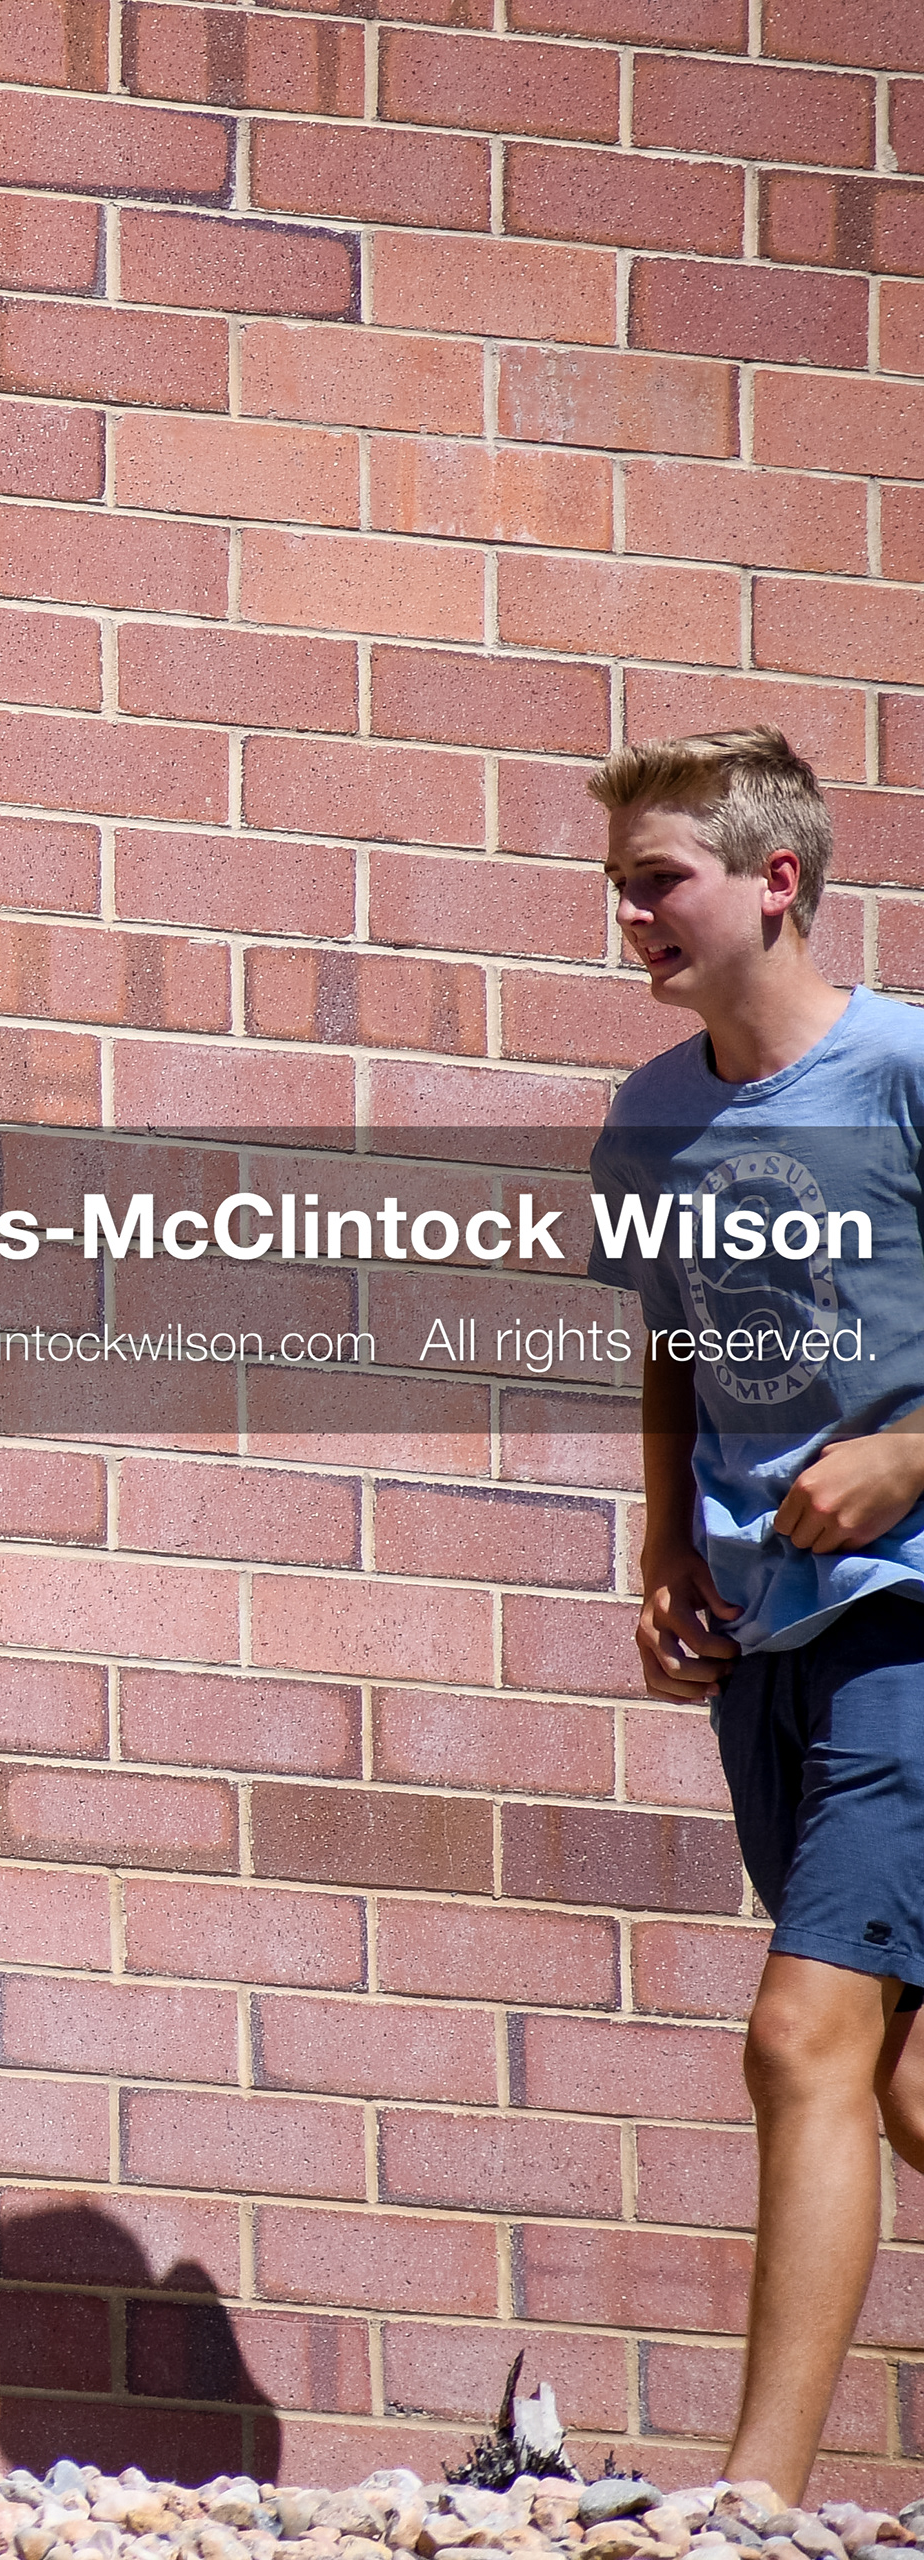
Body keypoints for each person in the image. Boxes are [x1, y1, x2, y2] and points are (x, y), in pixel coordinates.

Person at [590, 728, 924, 2501]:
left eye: (665, 879)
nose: (630, 911)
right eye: (625, 883)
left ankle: (754, 2507)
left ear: (776, 880)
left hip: (913, 1619)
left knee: (801, 2033)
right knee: (903, 2079)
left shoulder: (905, 1073)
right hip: (764, 1632)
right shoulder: (653, 1115)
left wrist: (908, 1457)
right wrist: (662, 1546)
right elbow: (666, 1333)